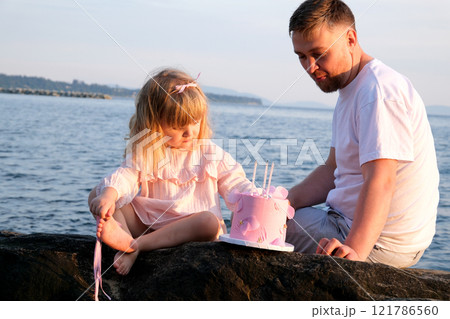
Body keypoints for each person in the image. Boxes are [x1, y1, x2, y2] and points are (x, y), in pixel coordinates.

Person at [285, 0, 439, 268]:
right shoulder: (352, 89)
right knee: (271, 215)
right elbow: (332, 169)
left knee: (262, 231)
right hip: (347, 224)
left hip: (380, 242)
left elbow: (382, 180)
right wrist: (284, 201)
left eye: (319, 54)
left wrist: (354, 251)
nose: (310, 67)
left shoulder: (377, 92)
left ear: (351, 39)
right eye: (301, 56)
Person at [88, 68, 252, 275]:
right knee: (98, 192)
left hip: (191, 227)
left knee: (210, 222)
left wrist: (258, 197)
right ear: (155, 123)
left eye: (195, 121)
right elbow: (126, 177)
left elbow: (235, 182)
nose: (189, 132)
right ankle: (126, 238)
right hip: (151, 223)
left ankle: (135, 246)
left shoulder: (210, 153)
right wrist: (109, 196)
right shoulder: (148, 152)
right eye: (178, 126)